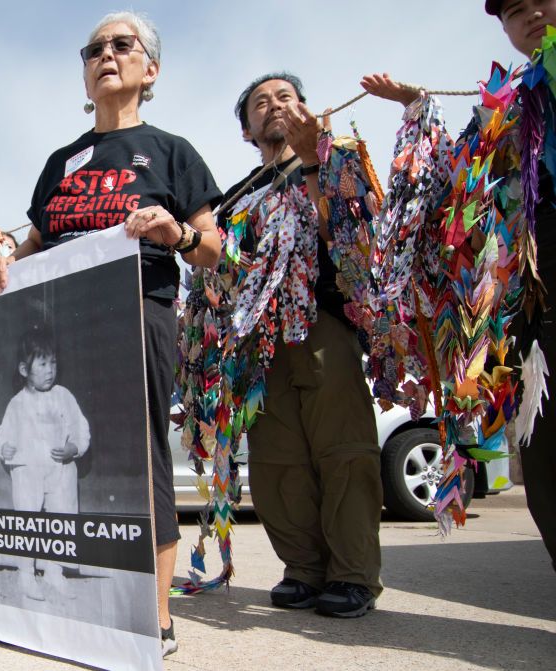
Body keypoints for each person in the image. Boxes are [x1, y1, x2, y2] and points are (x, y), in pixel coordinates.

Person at [0, 11, 222, 656]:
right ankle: (64, 588)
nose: (106, 55)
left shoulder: (172, 151)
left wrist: (179, 234)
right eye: (94, 49)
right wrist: (3, 247)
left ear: (152, 70)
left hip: (138, 310)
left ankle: (155, 612)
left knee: (138, 452)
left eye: (122, 45)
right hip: (60, 324)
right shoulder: (62, 161)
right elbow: (35, 239)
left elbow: (214, 249)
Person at [358, 0, 556, 570]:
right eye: (515, 8)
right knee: (546, 471)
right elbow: (453, 186)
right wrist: (419, 108)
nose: (532, 13)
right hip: (532, 316)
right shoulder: (508, 107)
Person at [218, 72, 383, 618]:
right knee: (276, 459)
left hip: (322, 323)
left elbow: (354, 236)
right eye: (260, 104)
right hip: (259, 342)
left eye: (284, 97)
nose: (274, 107)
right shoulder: (236, 196)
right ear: (247, 130)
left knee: (343, 450)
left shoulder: (337, 160)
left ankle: (354, 574)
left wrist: (314, 159)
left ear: (307, 110)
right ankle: (305, 569)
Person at [0, 327, 90, 601]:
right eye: (43, 363)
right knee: (27, 519)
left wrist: (74, 446)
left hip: (59, 469)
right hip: (27, 470)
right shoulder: (17, 404)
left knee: (62, 518)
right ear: (24, 370)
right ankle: (25, 574)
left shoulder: (63, 396)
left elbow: (80, 428)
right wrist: (5, 448)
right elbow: (3, 434)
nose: (50, 369)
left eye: (54, 362)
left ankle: (54, 571)